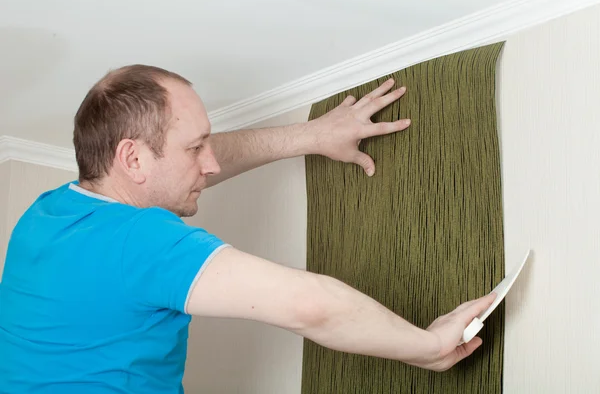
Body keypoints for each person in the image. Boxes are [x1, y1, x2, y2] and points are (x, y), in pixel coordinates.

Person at [0, 65, 496, 393]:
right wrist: (427, 347)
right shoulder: (139, 238)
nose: (210, 163)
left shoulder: (45, 218)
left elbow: (181, 170)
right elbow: (309, 305)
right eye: (196, 148)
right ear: (131, 157)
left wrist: (312, 135)